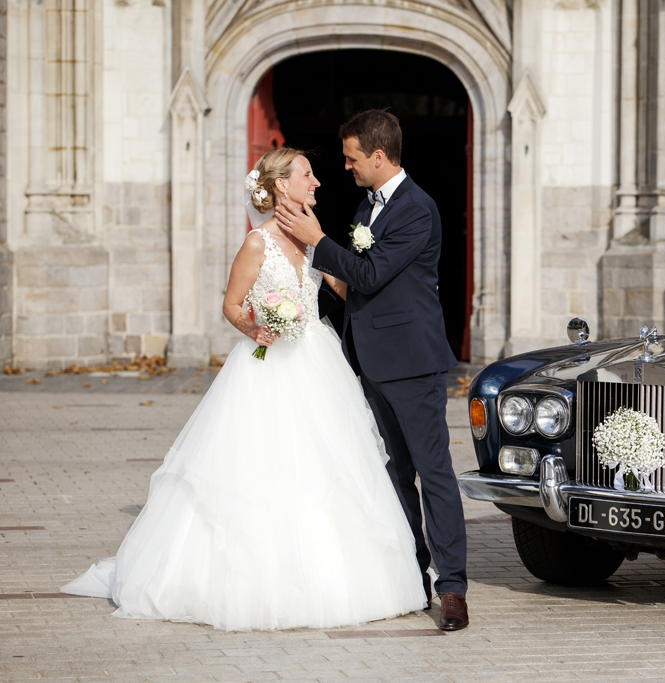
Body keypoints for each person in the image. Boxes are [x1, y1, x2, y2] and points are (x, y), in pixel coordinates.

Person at [60, 148, 428, 631]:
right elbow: (232, 305)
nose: (317, 182)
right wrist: (256, 329)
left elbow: (343, 287)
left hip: (318, 360)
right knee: (263, 465)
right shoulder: (258, 244)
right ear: (281, 186)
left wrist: (402, 291)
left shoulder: (315, 236)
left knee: (332, 464)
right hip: (267, 366)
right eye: (307, 175)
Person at [276, 109, 469, 631]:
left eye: (352, 158)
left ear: (379, 157)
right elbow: (356, 283)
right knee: (392, 475)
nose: (346, 167)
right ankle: (411, 575)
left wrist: (317, 241)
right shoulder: (367, 205)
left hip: (412, 362)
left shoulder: (417, 209)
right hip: (371, 361)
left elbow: (370, 270)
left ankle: (452, 589)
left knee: (433, 475)